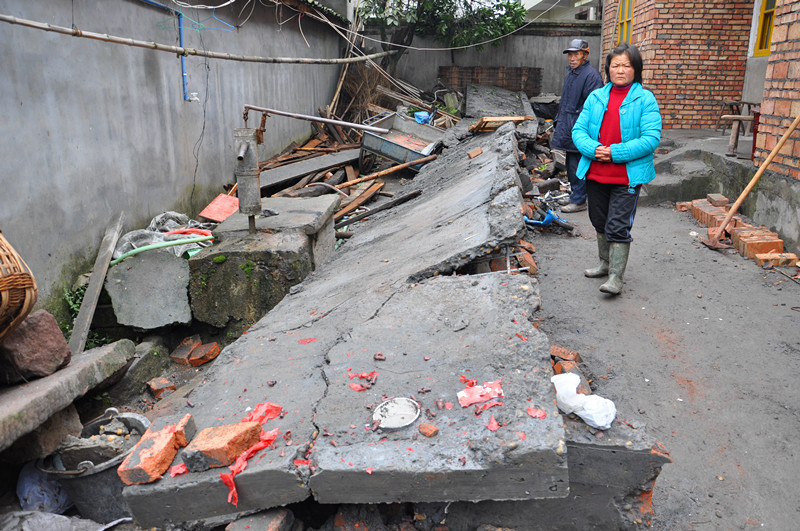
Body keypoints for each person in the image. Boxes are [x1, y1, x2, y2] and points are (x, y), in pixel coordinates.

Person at [571, 42, 662, 295]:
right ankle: (604, 263)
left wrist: (615, 153)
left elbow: (651, 138)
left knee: (617, 225)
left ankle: (616, 277)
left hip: (626, 177)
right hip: (596, 173)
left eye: (626, 65)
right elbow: (578, 130)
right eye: (615, 65)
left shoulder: (645, 99)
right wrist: (593, 149)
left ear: (636, 69)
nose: (620, 70)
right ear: (608, 69)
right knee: (598, 220)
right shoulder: (597, 97)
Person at [551, 39, 604, 213]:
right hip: (570, 127)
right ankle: (576, 195)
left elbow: (594, 107)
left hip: (580, 130)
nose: (572, 58)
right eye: (570, 55)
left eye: (576, 54)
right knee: (571, 164)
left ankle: (580, 200)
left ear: (585, 55)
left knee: (577, 165)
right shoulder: (573, 74)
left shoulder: (591, 76)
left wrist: (580, 129)